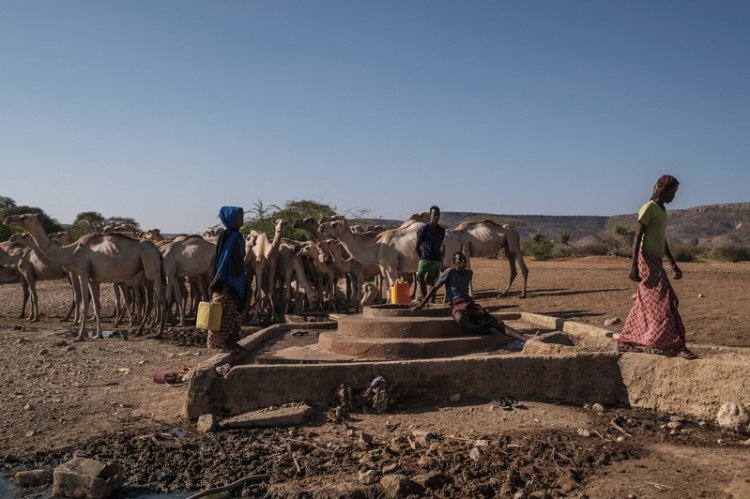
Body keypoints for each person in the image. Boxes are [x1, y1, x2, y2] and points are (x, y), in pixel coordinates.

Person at [618, 175, 697, 360]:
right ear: (662, 190)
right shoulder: (649, 208)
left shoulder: (661, 210)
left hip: (656, 260)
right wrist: (633, 266)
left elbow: (662, 239)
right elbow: (637, 237)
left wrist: (673, 263)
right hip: (645, 260)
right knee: (664, 301)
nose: (674, 197)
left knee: (646, 301)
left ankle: (625, 340)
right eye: (672, 193)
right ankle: (676, 345)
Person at [414, 251, 526, 343]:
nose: (463, 261)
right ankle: (481, 330)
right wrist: (422, 304)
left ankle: (525, 339)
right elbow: (434, 288)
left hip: (469, 303)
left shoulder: (469, 273)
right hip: (457, 304)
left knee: (495, 322)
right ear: (455, 262)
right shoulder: (450, 272)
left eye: (464, 259)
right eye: (460, 259)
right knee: (459, 318)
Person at [207, 206, 247, 352]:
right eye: (238, 218)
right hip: (228, 280)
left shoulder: (235, 235)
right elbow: (223, 259)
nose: (242, 220)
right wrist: (218, 278)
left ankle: (231, 340)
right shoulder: (231, 236)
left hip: (237, 278)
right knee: (223, 312)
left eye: (242, 217)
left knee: (235, 312)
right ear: (230, 219)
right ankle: (221, 343)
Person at [415, 205, 445, 302]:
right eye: (435, 214)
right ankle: (424, 299)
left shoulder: (441, 230)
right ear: (430, 215)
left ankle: (432, 303)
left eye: (438, 215)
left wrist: (439, 255)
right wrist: (422, 256)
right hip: (425, 258)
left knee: (433, 283)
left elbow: (440, 244)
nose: (437, 217)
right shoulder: (423, 229)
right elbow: (417, 246)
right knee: (420, 276)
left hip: (436, 259)